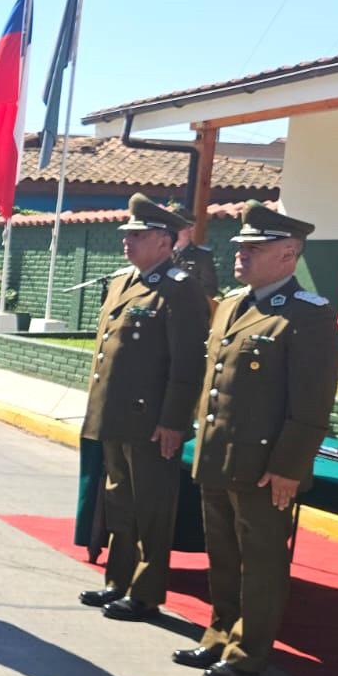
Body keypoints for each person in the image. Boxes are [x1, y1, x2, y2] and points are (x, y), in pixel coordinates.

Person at [176, 201, 338, 676]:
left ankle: (248, 653)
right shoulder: (231, 305)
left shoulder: (307, 315)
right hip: (219, 456)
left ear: (289, 254)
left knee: (261, 562)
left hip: (265, 465)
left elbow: (311, 402)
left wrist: (289, 466)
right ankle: (219, 635)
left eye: (254, 247)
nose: (241, 254)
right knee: (223, 554)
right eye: (240, 246)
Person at [77, 195, 210, 621]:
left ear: (164, 242)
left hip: (151, 421)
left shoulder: (180, 287)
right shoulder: (123, 281)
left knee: (152, 508)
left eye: (137, 235)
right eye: (127, 234)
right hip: (115, 415)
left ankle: (146, 592)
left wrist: (173, 421)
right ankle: (118, 581)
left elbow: (188, 362)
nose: (127, 241)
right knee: (120, 501)